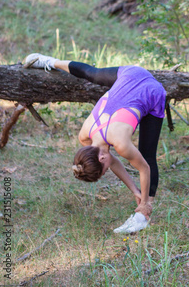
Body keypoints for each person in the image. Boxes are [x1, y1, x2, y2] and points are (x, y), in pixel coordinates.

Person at [25, 53, 166, 234]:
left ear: (100, 157)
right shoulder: (85, 137)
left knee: (147, 156)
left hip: (152, 91)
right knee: (93, 73)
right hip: (131, 74)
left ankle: (144, 213)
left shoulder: (120, 143)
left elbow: (144, 168)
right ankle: (50, 61)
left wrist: (144, 199)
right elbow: (111, 160)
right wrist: (134, 190)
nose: (109, 168)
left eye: (104, 169)